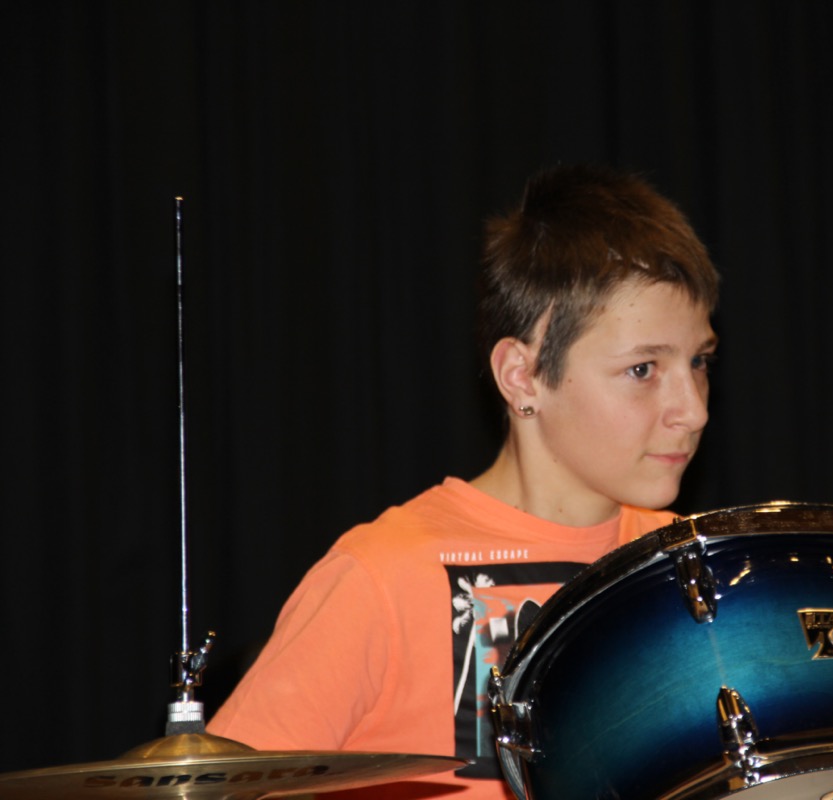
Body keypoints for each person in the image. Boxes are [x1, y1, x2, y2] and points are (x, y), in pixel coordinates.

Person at [207, 164, 721, 799]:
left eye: (699, 361)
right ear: (522, 376)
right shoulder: (382, 575)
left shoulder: (691, 568)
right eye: (643, 369)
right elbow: (222, 786)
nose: (693, 410)